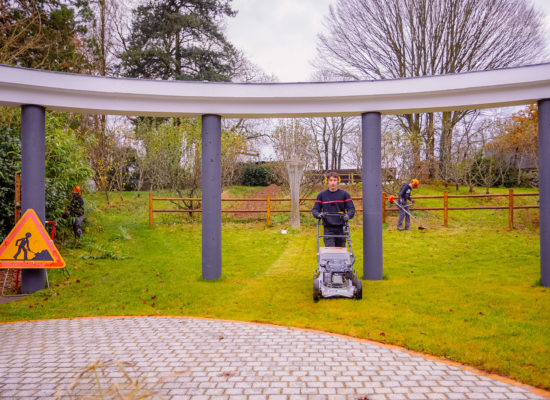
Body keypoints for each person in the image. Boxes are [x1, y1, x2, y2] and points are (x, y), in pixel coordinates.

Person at [312, 171, 355, 247]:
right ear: (327, 181)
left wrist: (347, 216)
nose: (333, 183)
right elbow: (315, 210)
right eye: (330, 180)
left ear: (338, 181)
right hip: (328, 227)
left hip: (341, 227)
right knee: (330, 250)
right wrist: (319, 215)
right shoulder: (322, 195)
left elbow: (351, 209)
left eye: (334, 180)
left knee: (341, 250)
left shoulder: (344, 194)